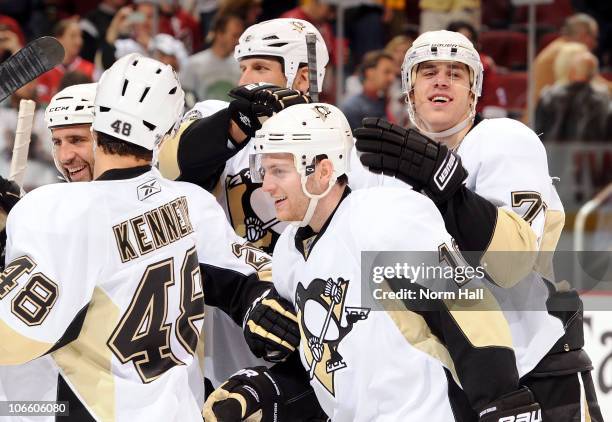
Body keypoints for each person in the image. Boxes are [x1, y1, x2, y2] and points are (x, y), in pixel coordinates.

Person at [0, 53, 296, 421]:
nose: (66, 155)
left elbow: (14, 339)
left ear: (97, 129)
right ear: (166, 131)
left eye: (75, 138)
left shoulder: (52, 211)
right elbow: (255, 279)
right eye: (58, 141)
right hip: (176, 409)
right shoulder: (189, 202)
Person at [204, 103, 541, 422]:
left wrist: (500, 398)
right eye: (264, 170)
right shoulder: (290, 253)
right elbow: (327, 359)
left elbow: (466, 305)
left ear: (322, 171)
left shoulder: (383, 219)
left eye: (279, 170)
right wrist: (267, 389)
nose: (266, 185)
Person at [353, 30, 603, 420]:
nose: (440, 80)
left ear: (473, 91)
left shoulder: (503, 142)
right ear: (409, 88)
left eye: (456, 73)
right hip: (437, 379)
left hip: (530, 370)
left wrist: (446, 184)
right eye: (428, 71)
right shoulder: (383, 170)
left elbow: (510, 263)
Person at [157, 18, 330, 389]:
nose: (244, 80)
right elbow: (170, 166)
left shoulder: (338, 144)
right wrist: (236, 125)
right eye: (244, 68)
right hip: (225, 320)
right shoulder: (218, 117)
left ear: (301, 79)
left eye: (261, 68)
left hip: (305, 317)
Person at [179, 12, 244, 103]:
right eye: (234, 35)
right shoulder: (194, 64)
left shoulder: (242, 66)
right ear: (219, 34)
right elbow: (184, 95)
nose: (238, 41)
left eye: (240, 36)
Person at [340, 50, 396, 130]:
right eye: (386, 72)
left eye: (393, 73)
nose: (392, 78)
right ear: (370, 72)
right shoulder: (352, 107)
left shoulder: (384, 102)